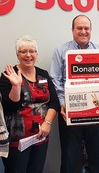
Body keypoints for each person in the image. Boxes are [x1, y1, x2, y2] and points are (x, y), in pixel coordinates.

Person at [50, 15, 99, 173]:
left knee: (97, 157)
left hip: (97, 112)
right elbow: (55, 79)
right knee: (70, 159)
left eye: (86, 28)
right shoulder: (60, 50)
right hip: (70, 112)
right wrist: (62, 103)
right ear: (72, 30)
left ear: (91, 30)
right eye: (79, 28)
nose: (83, 31)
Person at [0, 35, 60, 173]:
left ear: (37, 54)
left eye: (32, 51)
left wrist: (48, 123)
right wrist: (16, 86)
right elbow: (9, 107)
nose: (28, 55)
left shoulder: (43, 74)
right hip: (17, 141)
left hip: (40, 137)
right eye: (23, 51)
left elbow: (54, 102)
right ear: (17, 55)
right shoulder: (8, 75)